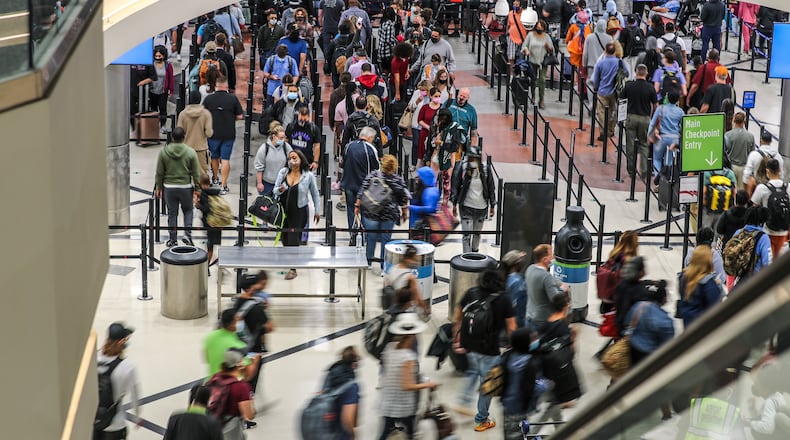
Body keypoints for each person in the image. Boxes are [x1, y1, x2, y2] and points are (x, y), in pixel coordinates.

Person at [453, 269, 516, 432]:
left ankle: (463, 401)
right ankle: (481, 419)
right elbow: (512, 327)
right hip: (490, 348)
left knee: (473, 371)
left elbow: (458, 316)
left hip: (469, 344)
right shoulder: (504, 299)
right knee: (488, 383)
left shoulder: (471, 293)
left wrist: (457, 337)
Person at [378, 313, 440, 439]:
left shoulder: (389, 348)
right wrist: (429, 384)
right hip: (403, 406)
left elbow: (391, 373)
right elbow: (407, 385)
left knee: (384, 434)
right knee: (411, 434)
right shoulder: (408, 357)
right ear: (412, 336)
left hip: (387, 401)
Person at [354, 155, 410, 270]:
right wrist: (404, 212)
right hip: (389, 214)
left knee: (371, 238)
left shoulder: (373, 175)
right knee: (386, 240)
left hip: (371, 212)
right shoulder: (397, 180)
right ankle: (384, 266)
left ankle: (368, 262)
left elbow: (362, 190)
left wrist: (357, 206)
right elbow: (403, 198)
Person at [273, 149, 321, 279]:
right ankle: (290, 258)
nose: (292, 161)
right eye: (290, 158)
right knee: (285, 237)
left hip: (299, 211)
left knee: (294, 238)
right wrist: (280, 189)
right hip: (283, 210)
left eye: (295, 158)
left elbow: (315, 194)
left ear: (301, 159)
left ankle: (293, 268)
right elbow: (275, 190)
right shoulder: (283, 173)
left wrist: (317, 211)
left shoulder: (308, 176)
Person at [155, 127, 201, 247]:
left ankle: (172, 239)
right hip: (185, 187)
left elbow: (160, 172)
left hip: (169, 187)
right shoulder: (190, 152)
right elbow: (196, 172)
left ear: (172, 137)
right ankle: (187, 234)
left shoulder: (164, 152)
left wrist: (159, 187)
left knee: (172, 213)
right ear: (184, 137)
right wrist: (197, 189)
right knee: (188, 210)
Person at [94, 323, 140, 440]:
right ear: (121, 342)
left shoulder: (93, 358)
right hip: (115, 424)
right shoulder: (127, 367)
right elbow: (135, 395)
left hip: (94, 422)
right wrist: (137, 417)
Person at [450, 146, 496, 253]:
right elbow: (456, 185)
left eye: (474, 158)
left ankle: (475, 253)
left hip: (481, 208)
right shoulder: (464, 167)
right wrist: (454, 204)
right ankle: (466, 256)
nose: (472, 161)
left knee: (477, 234)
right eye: (470, 158)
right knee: (466, 235)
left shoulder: (485, 169)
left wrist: (492, 205)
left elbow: (491, 187)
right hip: (466, 207)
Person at [234, 272, 273, 392]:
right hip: (254, 351)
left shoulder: (236, 303)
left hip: (240, 347)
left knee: (240, 376)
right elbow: (270, 327)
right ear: (251, 288)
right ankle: (248, 402)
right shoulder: (257, 307)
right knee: (251, 381)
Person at [203, 76, 243, 194]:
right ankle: (224, 185)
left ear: (216, 85)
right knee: (225, 159)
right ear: (226, 86)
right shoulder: (232, 99)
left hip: (213, 133)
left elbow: (203, 113)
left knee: (214, 157)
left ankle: (215, 179)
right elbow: (240, 116)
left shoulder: (209, 99)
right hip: (228, 133)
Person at [204, 349, 255, 434]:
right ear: (239, 365)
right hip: (230, 430)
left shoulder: (215, 377)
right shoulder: (241, 386)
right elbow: (249, 415)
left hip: (212, 427)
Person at [500, 327, 538, 440]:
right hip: (519, 406)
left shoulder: (507, 356)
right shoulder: (529, 363)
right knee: (519, 433)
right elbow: (529, 390)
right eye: (532, 339)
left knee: (509, 432)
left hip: (507, 402)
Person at [621, 64, 657, 179]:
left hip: (631, 117)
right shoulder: (650, 87)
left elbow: (621, 100)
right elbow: (655, 105)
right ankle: (644, 170)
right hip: (645, 118)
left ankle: (631, 170)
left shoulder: (629, 85)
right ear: (646, 74)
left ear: (636, 73)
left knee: (630, 145)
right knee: (644, 145)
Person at [341, 126, 381, 231]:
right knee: (365, 211)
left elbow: (343, 162)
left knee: (350, 209)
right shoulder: (370, 149)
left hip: (349, 184)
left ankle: (352, 234)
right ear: (370, 137)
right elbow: (376, 169)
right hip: (363, 187)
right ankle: (364, 234)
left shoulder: (348, 146)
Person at [750, 159, 790, 258]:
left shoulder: (762, 188)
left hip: (767, 230)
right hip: (784, 230)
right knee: (779, 259)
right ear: (779, 170)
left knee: (767, 260)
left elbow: (754, 207)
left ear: (767, 171)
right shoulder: (788, 187)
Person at [319, 347, 361, 440]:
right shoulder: (351, 386)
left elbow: (321, 396)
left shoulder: (330, 374)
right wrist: (353, 434)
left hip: (325, 431)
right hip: (341, 434)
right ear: (354, 364)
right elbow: (347, 419)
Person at [590, 42, 630, 141]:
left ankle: (603, 132)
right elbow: (627, 73)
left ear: (605, 50)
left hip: (602, 91)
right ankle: (611, 130)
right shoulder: (619, 62)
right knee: (613, 111)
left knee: (601, 112)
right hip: (615, 92)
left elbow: (596, 79)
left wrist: (596, 88)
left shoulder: (600, 63)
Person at [427, 109, 467, 205]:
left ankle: (445, 203)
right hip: (435, 156)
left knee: (446, 181)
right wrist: (427, 158)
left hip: (448, 157)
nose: (436, 118)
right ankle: (432, 200)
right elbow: (429, 142)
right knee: (433, 180)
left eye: (439, 116)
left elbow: (454, 147)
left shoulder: (455, 129)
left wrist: (441, 143)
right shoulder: (435, 127)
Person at [678, 245, 724, 328]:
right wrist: (719, 286)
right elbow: (716, 307)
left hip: (687, 321)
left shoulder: (683, 277)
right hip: (703, 327)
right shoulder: (708, 283)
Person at [525, 244, 567, 330]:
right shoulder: (546, 276)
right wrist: (563, 290)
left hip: (529, 316)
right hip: (542, 320)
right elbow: (555, 298)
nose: (553, 257)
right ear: (545, 259)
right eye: (551, 255)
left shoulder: (530, 268)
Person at [647, 91, 684, 182]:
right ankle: (667, 181)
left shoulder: (661, 108)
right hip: (674, 139)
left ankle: (658, 180)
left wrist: (648, 134)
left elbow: (652, 123)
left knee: (657, 159)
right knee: (669, 161)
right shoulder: (680, 112)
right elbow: (683, 126)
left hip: (661, 137)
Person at [730, 206, 773, 283]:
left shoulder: (738, 233)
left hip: (739, 280)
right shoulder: (763, 238)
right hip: (755, 282)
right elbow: (767, 263)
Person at [384, 245, 429, 313]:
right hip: (405, 310)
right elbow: (417, 298)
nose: (416, 263)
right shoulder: (410, 277)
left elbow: (387, 286)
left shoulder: (393, 269)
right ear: (407, 259)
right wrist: (426, 309)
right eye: (414, 260)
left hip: (392, 308)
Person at [177, 91, 214, 175]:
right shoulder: (206, 114)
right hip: (201, 149)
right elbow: (209, 133)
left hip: (186, 149)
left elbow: (179, 133)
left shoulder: (182, 114)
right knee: (201, 175)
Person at [522, 19, 554, 109]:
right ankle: (533, 95)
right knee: (533, 79)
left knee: (542, 80)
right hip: (532, 60)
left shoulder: (546, 37)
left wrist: (548, 48)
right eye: (538, 25)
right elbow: (525, 45)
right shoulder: (531, 35)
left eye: (541, 26)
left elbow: (552, 50)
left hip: (543, 61)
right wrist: (526, 50)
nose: (539, 27)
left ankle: (541, 99)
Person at [744, 131, 784, 196]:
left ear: (761, 140)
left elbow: (747, 174)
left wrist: (746, 190)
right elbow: (781, 174)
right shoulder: (778, 156)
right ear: (771, 141)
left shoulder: (754, 155)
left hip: (757, 189)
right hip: (773, 190)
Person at [196, 174, 222, 271]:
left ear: (201, 184)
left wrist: (198, 205)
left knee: (210, 247)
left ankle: (207, 268)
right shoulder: (215, 192)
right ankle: (216, 265)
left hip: (209, 223)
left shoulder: (204, 194)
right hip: (218, 223)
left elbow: (207, 208)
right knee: (214, 245)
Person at [725, 112, 755, 190]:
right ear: (744, 121)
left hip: (731, 167)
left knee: (731, 190)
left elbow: (724, 152)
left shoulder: (728, 135)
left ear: (734, 120)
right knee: (741, 193)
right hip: (744, 168)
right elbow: (752, 154)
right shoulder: (750, 137)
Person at [285, 106, 321, 171]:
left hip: (307, 162)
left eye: (305, 119)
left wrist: (315, 162)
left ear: (308, 117)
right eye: (301, 118)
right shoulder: (291, 126)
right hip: (292, 161)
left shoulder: (314, 129)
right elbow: (286, 141)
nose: (302, 121)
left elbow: (317, 146)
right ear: (298, 115)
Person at [445, 88, 479, 152]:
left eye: (464, 97)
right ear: (457, 95)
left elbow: (474, 131)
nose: (461, 98)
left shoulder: (471, 110)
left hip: (460, 142)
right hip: (446, 138)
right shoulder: (448, 103)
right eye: (460, 95)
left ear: (468, 98)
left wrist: (472, 148)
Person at [149, 45, 174, 133]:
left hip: (163, 90)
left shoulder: (168, 65)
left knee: (163, 108)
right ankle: (154, 125)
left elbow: (171, 78)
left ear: (164, 56)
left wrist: (171, 90)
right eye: (156, 56)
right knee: (153, 109)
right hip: (152, 90)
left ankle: (163, 125)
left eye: (160, 56)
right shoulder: (151, 64)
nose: (158, 58)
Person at [501, 250, 528, 328]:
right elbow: (517, 305)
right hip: (516, 323)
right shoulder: (518, 282)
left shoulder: (502, 278)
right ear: (516, 265)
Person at [506, 0, 528, 72]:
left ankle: (521, 73)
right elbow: (508, 25)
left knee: (521, 58)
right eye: (514, 4)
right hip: (512, 37)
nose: (515, 6)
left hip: (522, 39)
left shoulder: (525, 14)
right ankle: (512, 74)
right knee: (511, 57)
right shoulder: (510, 13)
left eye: (517, 5)